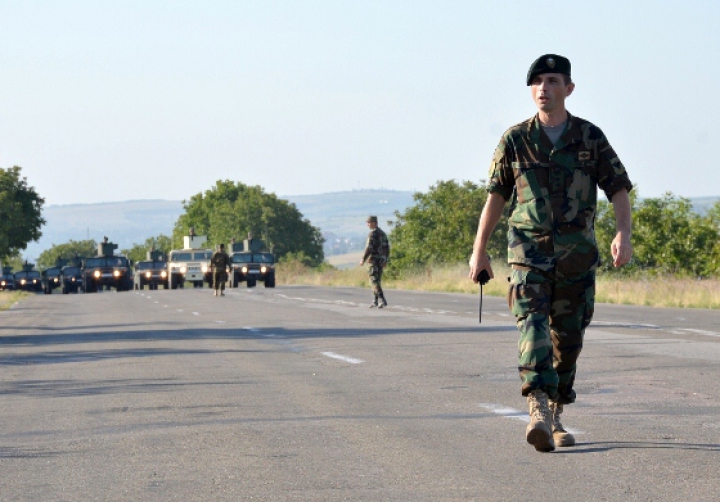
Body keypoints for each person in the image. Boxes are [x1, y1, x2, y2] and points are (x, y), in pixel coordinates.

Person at [468, 54, 633, 452]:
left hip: (577, 255)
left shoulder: (589, 137)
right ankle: (538, 406)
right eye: (538, 81)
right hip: (527, 252)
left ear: (569, 89)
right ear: (531, 90)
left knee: (569, 338)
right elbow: (496, 197)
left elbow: (619, 188)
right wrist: (480, 251)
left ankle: (557, 411)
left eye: (554, 80)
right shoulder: (515, 139)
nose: (545, 87)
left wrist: (622, 233)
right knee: (533, 324)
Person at [359, 216, 390, 308]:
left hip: (373, 260)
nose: (368, 225)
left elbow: (369, 248)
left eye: (369, 223)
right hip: (381, 261)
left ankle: (382, 300)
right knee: (377, 280)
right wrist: (385, 260)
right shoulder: (383, 234)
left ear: (374, 223)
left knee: (374, 281)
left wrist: (363, 259)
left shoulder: (372, 234)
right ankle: (375, 301)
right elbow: (387, 248)